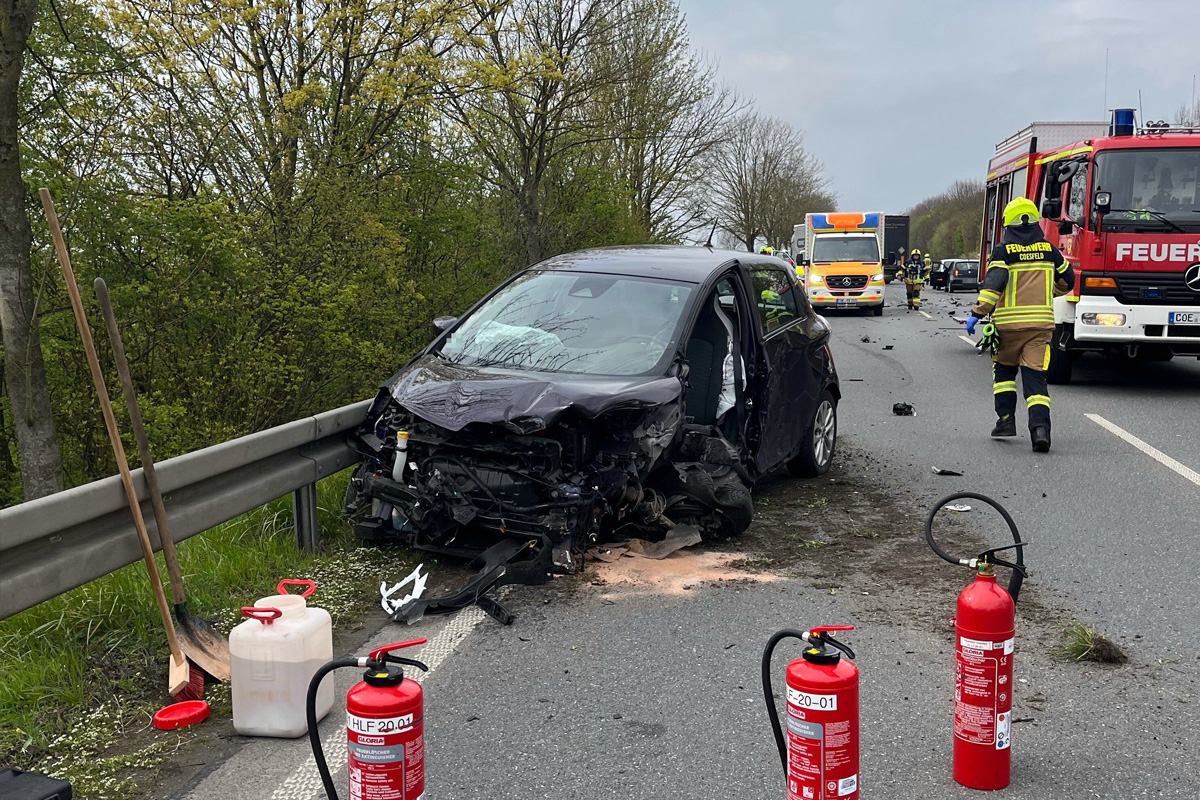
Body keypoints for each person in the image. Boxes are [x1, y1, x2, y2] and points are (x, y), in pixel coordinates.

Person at [966, 197, 1075, 453]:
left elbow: (993, 285)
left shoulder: (1003, 251)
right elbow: (1068, 280)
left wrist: (977, 313)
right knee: (1035, 379)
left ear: (1009, 223)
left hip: (1008, 328)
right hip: (1040, 328)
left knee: (1004, 375)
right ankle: (1040, 430)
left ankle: (1005, 422)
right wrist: (1048, 293)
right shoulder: (1049, 250)